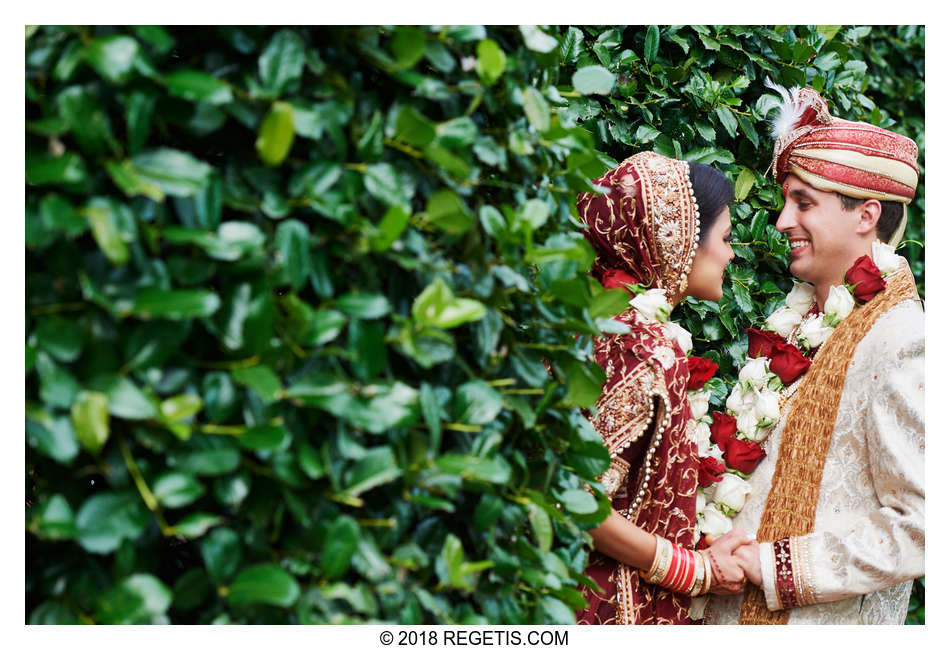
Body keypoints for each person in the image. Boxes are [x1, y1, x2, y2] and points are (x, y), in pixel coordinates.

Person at [703, 85, 924, 624]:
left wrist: (774, 566)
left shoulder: (904, 338)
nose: (781, 221)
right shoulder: (798, 323)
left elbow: (924, 522)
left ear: (866, 215)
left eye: (803, 203)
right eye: (785, 202)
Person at [575, 151, 756, 625]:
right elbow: (576, 499)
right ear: (678, 239)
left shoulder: (604, 323)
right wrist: (695, 570)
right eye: (726, 237)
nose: (732, 253)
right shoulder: (641, 347)